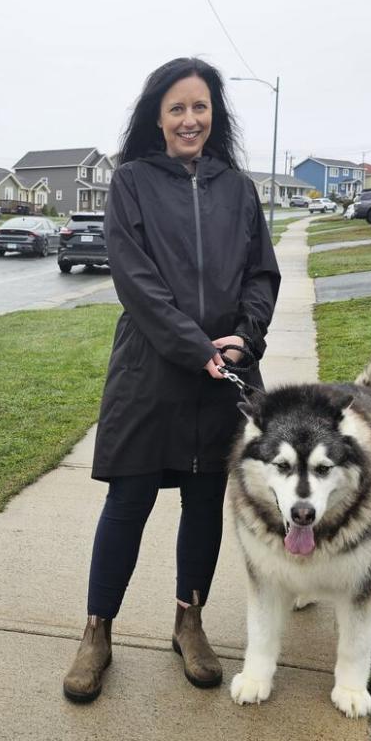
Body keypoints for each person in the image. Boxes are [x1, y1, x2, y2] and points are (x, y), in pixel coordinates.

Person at [62, 57, 281, 702]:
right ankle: (97, 632)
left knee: (204, 500)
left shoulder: (238, 189)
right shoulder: (130, 182)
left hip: (227, 373)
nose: (190, 119)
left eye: (201, 107)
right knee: (127, 501)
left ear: (215, 115)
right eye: (177, 108)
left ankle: (190, 621)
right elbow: (135, 278)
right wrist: (194, 346)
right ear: (156, 118)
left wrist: (247, 335)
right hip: (150, 371)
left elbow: (261, 274)